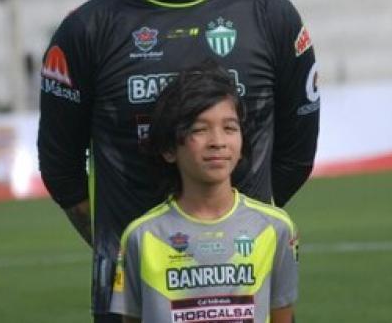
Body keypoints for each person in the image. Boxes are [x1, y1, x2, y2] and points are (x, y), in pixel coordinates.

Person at [38, 0, 319, 322]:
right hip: (131, 299)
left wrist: (234, 228)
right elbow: (60, 166)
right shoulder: (87, 30)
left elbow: (295, 154)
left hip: (244, 292)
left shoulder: (273, 19)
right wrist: (128, 244)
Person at [110, 60, 298, 323]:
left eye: (229, 128)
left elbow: (282, 315)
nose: (217, 142)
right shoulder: (141, 236)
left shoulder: (275, 228)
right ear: (169, 149)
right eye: (199, 130)